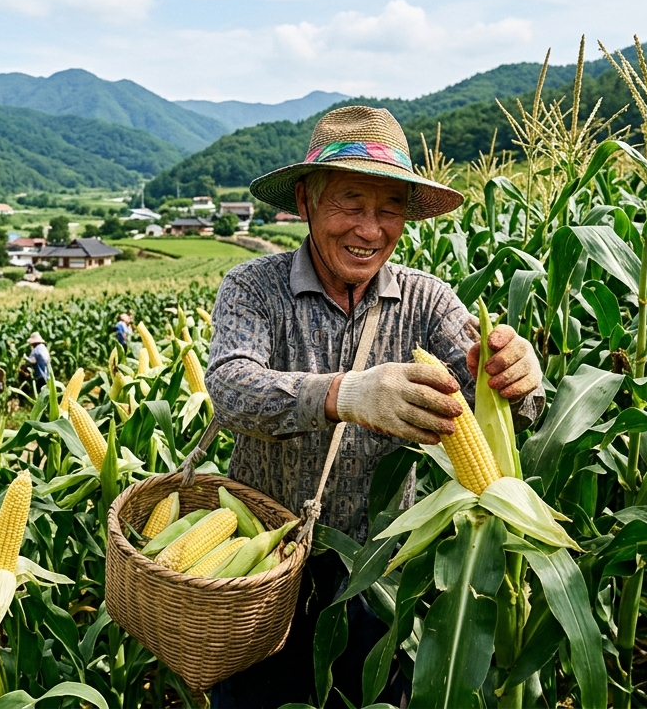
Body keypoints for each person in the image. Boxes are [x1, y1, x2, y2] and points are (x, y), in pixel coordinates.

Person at [204, 107, 545, 708]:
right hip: (260, 570)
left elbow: (482, 404)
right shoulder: (252, 288)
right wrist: (347, 394)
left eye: (389, 208)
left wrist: (519, 383)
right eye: (351, 203)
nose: (370, 229)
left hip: (381, 578)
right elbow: (231, 389)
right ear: (307, 202)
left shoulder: (428, 300)